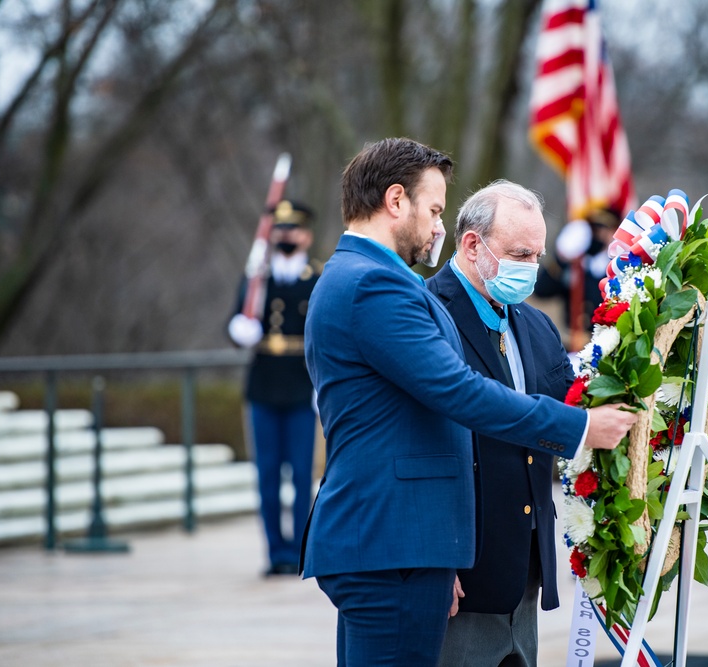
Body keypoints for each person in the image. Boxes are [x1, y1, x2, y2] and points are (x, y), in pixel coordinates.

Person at [298, 137, 637, 666]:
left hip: (407, 545)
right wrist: (577, 427)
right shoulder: (374, 287)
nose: (440, 226)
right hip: (395, 545)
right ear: (394, 201)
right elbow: (459, 391)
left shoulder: (369, 279)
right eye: (434, 210)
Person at [425, 180, 570, 666]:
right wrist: (438, 562)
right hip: (464, 577)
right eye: (520, 254)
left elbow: (558, 421)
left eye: (537, 256)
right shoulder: (426, 315)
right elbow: (423, 446)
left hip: (525, 572)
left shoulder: (535, 324)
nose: (530, 269)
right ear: (472, 244)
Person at [227, 200, 320, 576]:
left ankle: (299, 549)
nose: (286, 236)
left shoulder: (315, 279)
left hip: (300, 386)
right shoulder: (257, 279)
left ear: (306, 235)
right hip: (264, 385)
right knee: (266, 474)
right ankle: (274, 551)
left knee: (300, 474)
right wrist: (239, 329)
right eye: (280, 230)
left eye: (293, 229)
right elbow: (237, 320)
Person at [534, 207, 621, 345]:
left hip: (607, 344)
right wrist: (562, 258)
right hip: (572, 344)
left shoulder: (619, 268)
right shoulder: (576, 266)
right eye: (594, 230)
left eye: (603, 230)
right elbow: (541, 291)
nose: (597, 236)